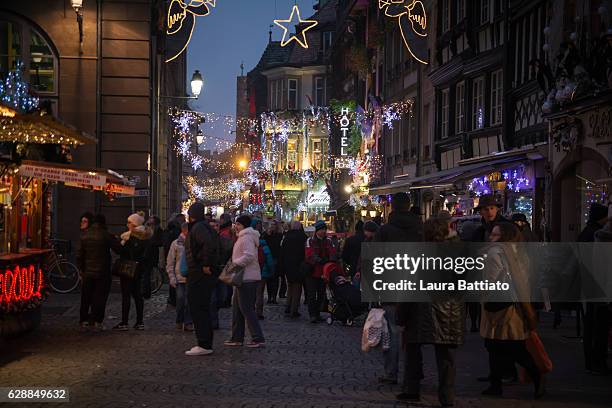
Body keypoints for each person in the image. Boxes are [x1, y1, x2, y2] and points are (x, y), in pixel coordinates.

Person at [396, 218, 465, 406]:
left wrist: (400, 315)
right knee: (446, 357)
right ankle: (447, 397)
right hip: (449, 311)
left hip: (420, 310)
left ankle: (411, 390)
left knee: (412, 349)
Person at [480, 222, 543, 398]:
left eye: (495, 235)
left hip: (499, 306)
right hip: (516, 305)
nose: (491, 238)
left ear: (505, 237)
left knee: (499, 346)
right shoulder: (520, 253)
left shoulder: (495, 253)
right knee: (512, 347)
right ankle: (499, 382)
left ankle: (498, 384)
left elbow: (490, 281)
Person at [374, 192, 423, 386]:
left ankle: (391, 372)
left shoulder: (385, 231)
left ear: (392, 207)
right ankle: (415, 373)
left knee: (392, 331)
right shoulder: (420, 229)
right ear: (410, 206)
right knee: (414, 331)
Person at [469, 195, 511, 334]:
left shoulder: (507, 228)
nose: (489, 212)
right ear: (481, 211)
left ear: (497, 209)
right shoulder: (480, 231)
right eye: (486, 209)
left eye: (492, 208)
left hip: (504, 276)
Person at [224, 215, 266, 348]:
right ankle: (237, 337)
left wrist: (234, 264)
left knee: (247, 309)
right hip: (242, 277)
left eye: (238, 224)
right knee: (237, 308)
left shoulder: (246, 237)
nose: (235, 226)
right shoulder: (243, 236)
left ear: (243, 225)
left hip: (247, 277)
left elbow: (249, 256)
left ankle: (258, 337)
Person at [184, 202, 220, 356]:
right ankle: (204, 342)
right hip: (199, 271)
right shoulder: (203, 227)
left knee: (198, 307)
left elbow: (208, 245)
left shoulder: (199, 228)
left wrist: (205, 264)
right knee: (200, 307)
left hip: (199, 272)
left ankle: (204, 343)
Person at [77, 214, 121, 331]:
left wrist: (81, 269)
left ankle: (83, 320)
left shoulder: (85, 235)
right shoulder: (106, 235)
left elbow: (79, 255)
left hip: (88, 272)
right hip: (103, 272)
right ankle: (97, 321)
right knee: (100, 297)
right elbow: (119, 249)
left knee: (86, 297)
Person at [580, 202, 610, 374]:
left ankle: (593, 360)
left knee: (593, 326)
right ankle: (595, 361)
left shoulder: (587, 232)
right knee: (597, 326)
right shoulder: (596, 235)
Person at [113, 212, 152, 331]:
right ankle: (139, 322)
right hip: (139, 269)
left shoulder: (131, 237)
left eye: (129, 222)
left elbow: (125, 252)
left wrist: (117, 244)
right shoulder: (145, 236)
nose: (127, 224)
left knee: (126, 296)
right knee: (137, 296)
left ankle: (124, 322)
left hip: (128, 268)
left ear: (135, 224)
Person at [304, 220, 337, 323]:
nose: (323, 231)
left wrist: (331, 260)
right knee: (311, 295)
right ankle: (312, 314)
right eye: (321, 229)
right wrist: (320, 260)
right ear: (317, 230)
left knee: (322, 294)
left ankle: (317, 313)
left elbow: (333, 252)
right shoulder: (310, 240)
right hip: (312, 272)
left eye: (324, 229)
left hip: (324, 272)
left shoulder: (328, 241)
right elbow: (310, 255)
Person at [166, 222, 192, 331]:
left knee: (189, 301)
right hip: (179, 276)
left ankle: (188, 322)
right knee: (181, 300)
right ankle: (179, 320)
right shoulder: (176, 243)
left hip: (191, 276)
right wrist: (171, 276)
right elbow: (170, 261)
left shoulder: (193, 243)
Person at [280, 221, 308, 318]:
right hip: (299, 265)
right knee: (297, 288)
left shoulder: (287, 237)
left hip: (288, 265)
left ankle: (288, 306)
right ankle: (294, 310)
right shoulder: (303, 237)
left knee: (290, 286)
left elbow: (282, 251)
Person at [164, 213, 186, 307]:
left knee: (174, 282)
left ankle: (173, 300)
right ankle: (174, 301)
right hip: (176, 259)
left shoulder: (169, 228)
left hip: (173, 257)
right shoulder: (175, 232)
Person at [263, 220, 285, 301]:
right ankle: (269, 297)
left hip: (276, 258)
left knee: (275, 278)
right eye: (271, 224)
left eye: (274, 225)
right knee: (269, 279)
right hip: (268, 258)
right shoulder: (266, 235)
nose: (272, 226)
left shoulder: (280, 235)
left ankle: (274, 297)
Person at [145, 215, 164, 299]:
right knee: (146, 274)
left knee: (147, 274)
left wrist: (152, 243)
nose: (149, 221)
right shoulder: (146, 229)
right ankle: (145, 291)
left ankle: (146, 292)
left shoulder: (159, 231)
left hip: (151, 255)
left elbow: (161, 242)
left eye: (151, 220)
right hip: (146, 255)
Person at [218, 213, 235, 308]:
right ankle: (227, 300)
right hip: (230, 258)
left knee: (225, 281)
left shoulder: (225, 232)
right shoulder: (229, 230)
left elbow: (226, 247)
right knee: (228, 281)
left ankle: (225, 300)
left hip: (225, 260)